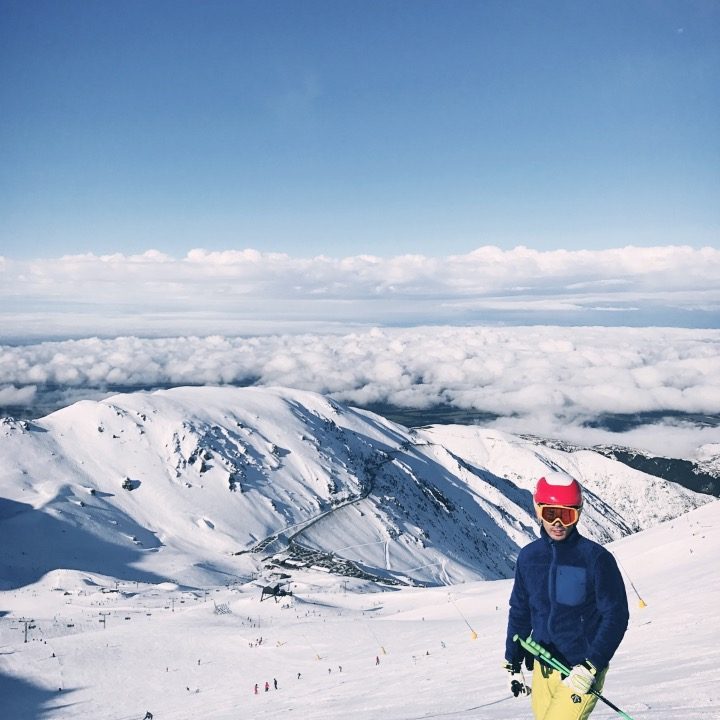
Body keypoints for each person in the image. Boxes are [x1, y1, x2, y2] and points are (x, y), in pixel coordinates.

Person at [504, 472, 629, 720]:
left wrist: (591, 665)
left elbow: (616, 615)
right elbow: (520, 611)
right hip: (544, 665)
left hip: (581, 669)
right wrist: (513, 661)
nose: (558, 522)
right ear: (538, 510)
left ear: (578, 513)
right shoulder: (529, 557)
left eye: (567, 514)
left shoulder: (596, 559)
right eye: (551, 513)